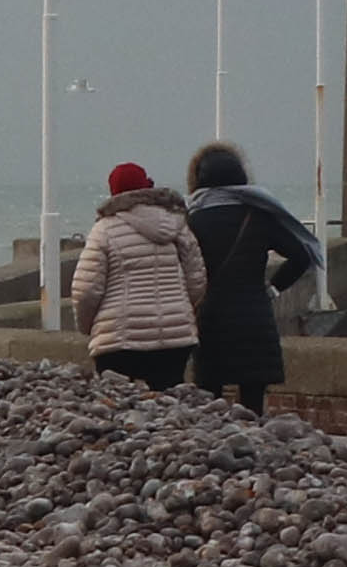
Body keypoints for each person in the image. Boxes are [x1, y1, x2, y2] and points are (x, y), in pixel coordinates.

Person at [175, 140, 315, 415]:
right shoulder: (258, 215)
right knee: (252, 405)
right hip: (254, 318)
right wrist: (273, 288)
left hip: (210, 318)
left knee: (208, 403)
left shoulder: (191, 220)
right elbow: (302, 255)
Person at [67, 161, 204, 389]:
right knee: (170, 409)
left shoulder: (104, 230)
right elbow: (196, 279)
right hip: (174, 338)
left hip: (119, 341)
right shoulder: (177, 224)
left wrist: (87, 326)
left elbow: (87, 290)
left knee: (117, 409)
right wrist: (179, 308)